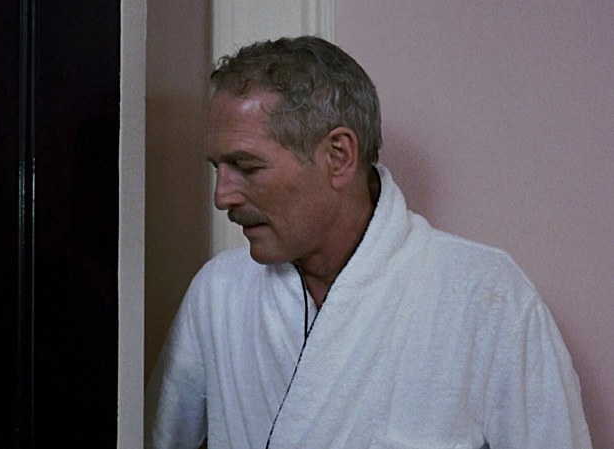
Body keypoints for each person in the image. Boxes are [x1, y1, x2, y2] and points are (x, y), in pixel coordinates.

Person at [145, 36, 592, 449]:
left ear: (338, 156)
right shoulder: (218, 293)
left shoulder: (486, 297)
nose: (222, 196)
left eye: (247, 167)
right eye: (217, 168)